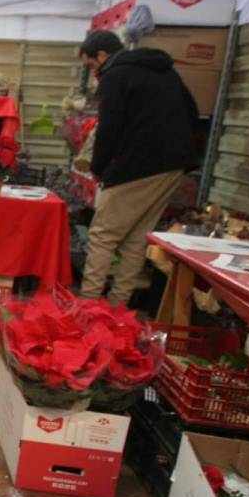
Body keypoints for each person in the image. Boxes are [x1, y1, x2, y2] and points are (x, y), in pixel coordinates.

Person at [78, 30, 201, 306]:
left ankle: (87, 305)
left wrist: (98, 168)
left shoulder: (115, 76)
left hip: (138, 165)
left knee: (103, 235)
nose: (93, 71)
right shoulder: (165, 71)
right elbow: (193, 112)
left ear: (102, 55)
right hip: (174, 165)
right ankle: (117, 306)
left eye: (91, 65)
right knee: (135, 237)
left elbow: (108, 130)